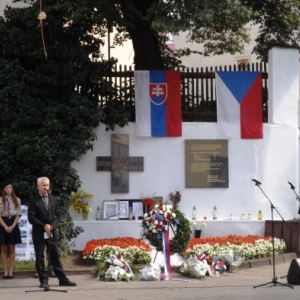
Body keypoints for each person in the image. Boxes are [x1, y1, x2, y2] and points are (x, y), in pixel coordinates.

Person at [28, 177, 76, 288]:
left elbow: (58, 215)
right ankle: (43, 280)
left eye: (47, 185)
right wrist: (44, 226)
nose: (46, 187)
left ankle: (62, 279)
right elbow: (31, 218)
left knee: (55, 255)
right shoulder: (33, 200)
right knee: (40, 257)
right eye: (43, 185)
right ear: (38, 187)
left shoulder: (54, 199)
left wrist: (52, 226)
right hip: (39, 232)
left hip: (52, 232)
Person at [0, 180, 22, 279]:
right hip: (2, 223)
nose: (8, 189)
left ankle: (11, 271)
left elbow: (18, 214)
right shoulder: (0, 200)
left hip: (13, 223)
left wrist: (12, 226)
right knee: (4, 248)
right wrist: (5, 226)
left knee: (12, 248)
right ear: (3, 190)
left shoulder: (17, 200)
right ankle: (5, 271)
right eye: (6, 188)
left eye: (10, 187)